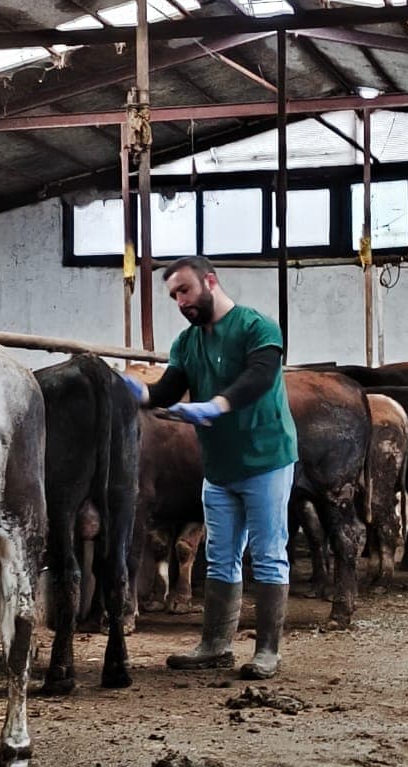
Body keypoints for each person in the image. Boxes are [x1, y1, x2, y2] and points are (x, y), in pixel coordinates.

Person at [122, 256, 297, 679]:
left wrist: (215, 405)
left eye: (184, 290)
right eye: (173, 296)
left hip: (265, 460)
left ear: (210, 282)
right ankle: (216, 645)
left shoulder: (258, 328)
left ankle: (267, 651)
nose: (180, 301)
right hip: (218, 468)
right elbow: (167, 388)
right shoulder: (187, 343)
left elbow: (259, 377)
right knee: (219, 557)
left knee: (269, 554)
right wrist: (136, 392)